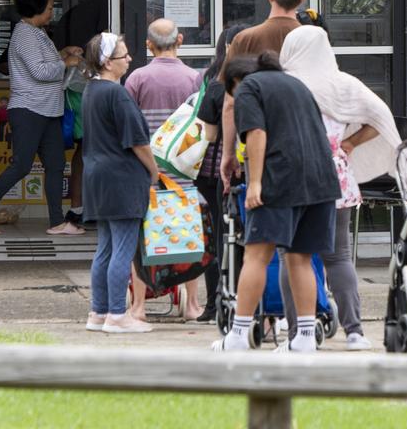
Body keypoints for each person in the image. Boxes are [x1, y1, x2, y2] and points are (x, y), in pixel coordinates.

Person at [280, 25, 401, 351]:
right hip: (336, 176)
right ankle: (355, 331)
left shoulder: (286, 83)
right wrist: (348, 141)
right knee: (339, 257)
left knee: (291, 256)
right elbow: (380, 117)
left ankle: (296, 331)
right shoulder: (344, 84)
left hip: (293, 176)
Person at [212, 51, 341, 353]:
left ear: (235, 80)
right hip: (321, 180)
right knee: (300, 258)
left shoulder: (247, 88)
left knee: (256, 255)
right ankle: (305, 338)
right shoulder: (293, 84)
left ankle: (239, 336)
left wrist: (255, 182)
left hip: (281, 179)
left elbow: (256, 133)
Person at [0, 0, 84, 237]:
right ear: (35, 10)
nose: (51, 13)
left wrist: (62, 53)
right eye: (48, 8)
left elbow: (45, 62)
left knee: (56, 165)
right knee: (21, 166)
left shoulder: (37, 32)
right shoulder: (24, 35)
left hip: (49, 110)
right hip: (29, 109)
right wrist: (66, 62)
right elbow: (41, 71)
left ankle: (57, 221)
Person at [122, 18, 205, 320]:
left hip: (145, 170)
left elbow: (128, 126)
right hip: (183, 170)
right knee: (188, 232)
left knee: (140, 236)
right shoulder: (194, 78)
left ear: (148, 44)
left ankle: (139, 306)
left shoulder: (137, 79)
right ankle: (192, 304)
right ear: (180, 40)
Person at [80, 32, 159, 334]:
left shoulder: (91, 90)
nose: (129, 59)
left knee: (105, 248)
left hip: (97, 176)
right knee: (123, 250)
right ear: (107, 62)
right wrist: (153, 171)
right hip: (122, 178)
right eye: (123, 56)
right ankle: (116, 314)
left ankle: (98, 312)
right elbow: (138, 142)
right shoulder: (117, 93)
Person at [218, 0, 309, 188]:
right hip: (304, 143)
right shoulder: (312, 39)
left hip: (257, 147)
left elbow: (230, 102)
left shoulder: (244, 39)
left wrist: (227, 153)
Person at [194, 22, 247, 324]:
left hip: (215, 170)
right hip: (249, 167)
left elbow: (207, 134)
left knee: (217, 238)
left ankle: (216, 303)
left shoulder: (215, 83)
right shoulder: (261, 81)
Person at [53, 0, 111, 227]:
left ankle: (77, 206)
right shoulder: (109, 10)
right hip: (97, 89)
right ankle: (98, 207)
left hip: (75, 90)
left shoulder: (73, 13)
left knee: (83, 150)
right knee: (100, 150)